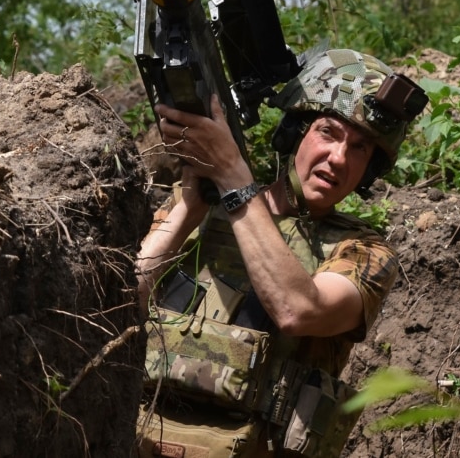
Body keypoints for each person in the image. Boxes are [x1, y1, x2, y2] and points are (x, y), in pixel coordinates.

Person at [134, 48, 427, 458]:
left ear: (370, 169)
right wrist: (190, 207)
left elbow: (297, 310)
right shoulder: (201, 207)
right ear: (294, 133)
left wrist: (233, 179)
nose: (338, 158)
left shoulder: (364, 252)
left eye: (360, 148)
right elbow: (121, 306)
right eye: (328, 132)